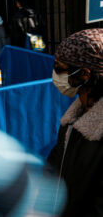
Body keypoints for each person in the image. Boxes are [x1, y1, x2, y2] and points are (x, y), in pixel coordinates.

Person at [45, 28, 103, 217]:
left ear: (85, 74)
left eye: (59, 69)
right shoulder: (73, 119)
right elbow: (57, 166)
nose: (54, 74)